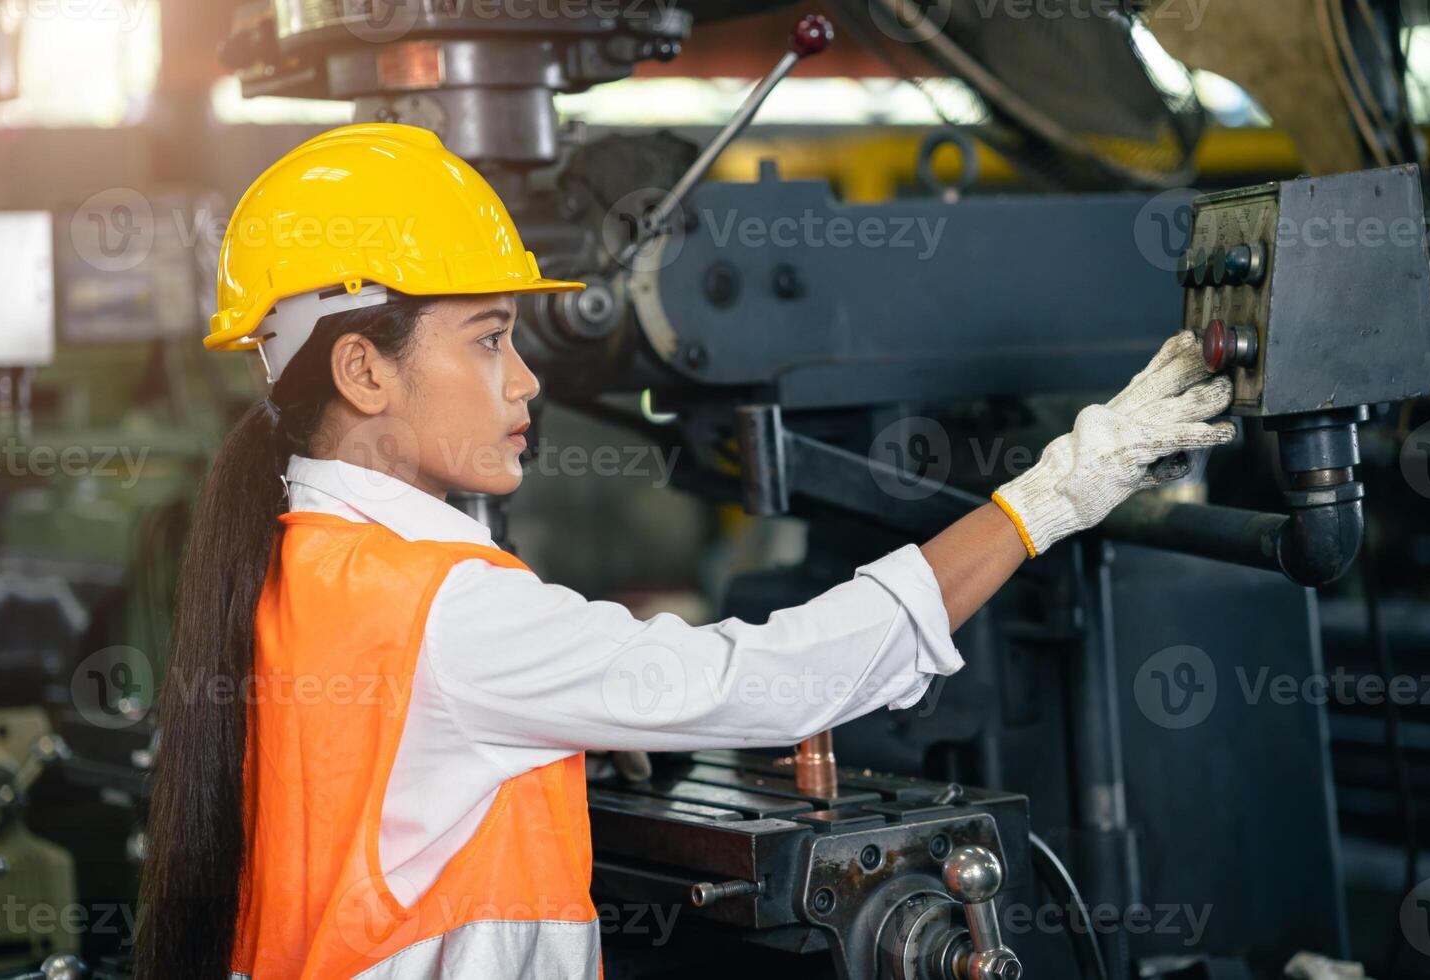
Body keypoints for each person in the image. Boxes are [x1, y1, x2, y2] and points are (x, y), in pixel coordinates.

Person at [134, 123, 1234, 980]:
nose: (524, 381)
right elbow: (764, 680)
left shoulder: (289, 560)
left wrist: (542, 742)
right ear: (365, 373)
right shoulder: (446, 612)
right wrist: (1054, 493)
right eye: (488, 339)